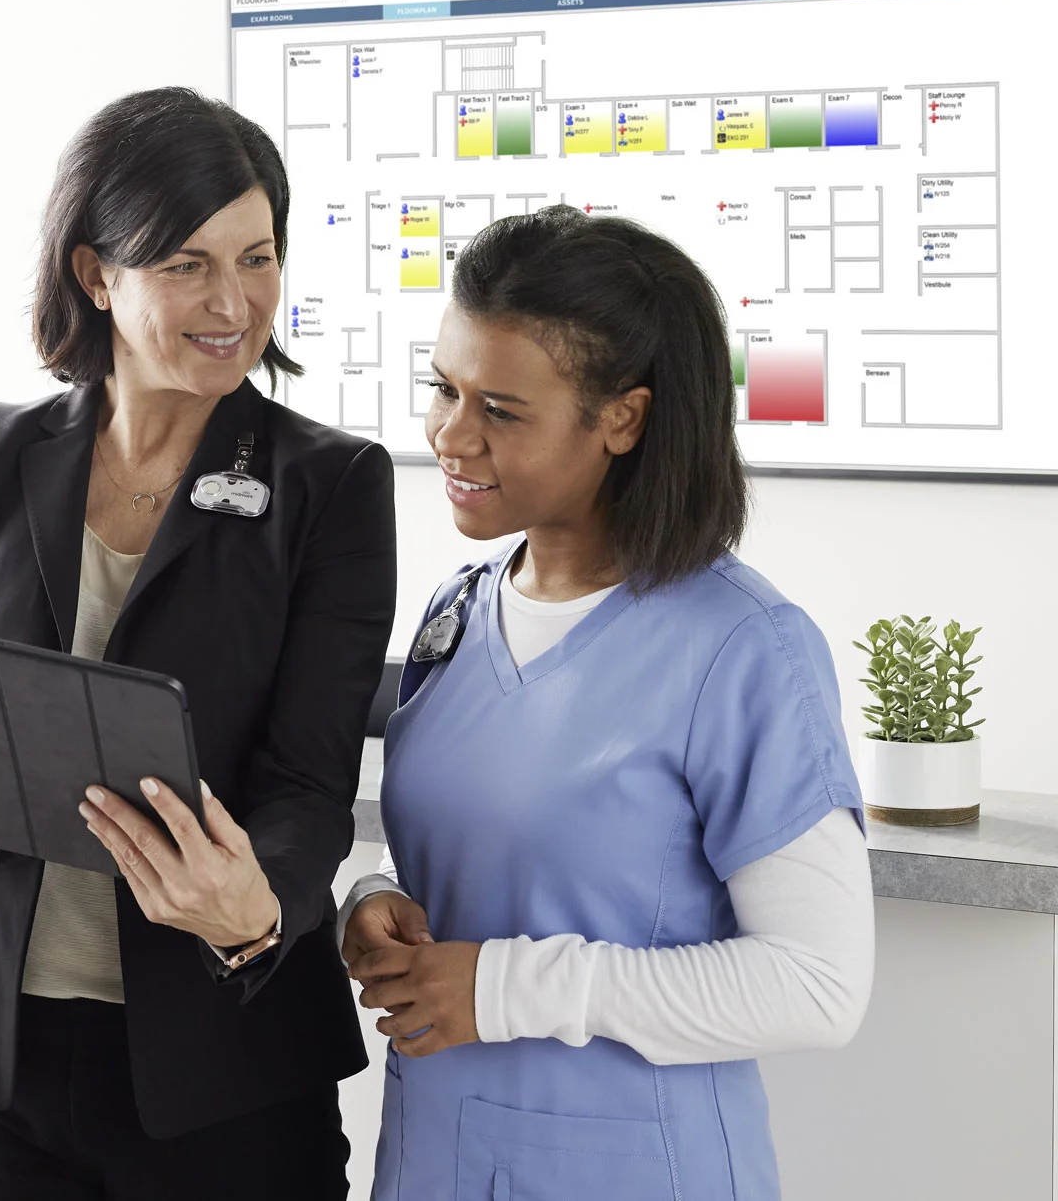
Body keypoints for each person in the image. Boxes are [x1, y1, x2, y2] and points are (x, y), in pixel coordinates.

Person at [0, 87, 394, 1199]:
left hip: (225, 1063)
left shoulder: (332, 484)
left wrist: (254, 907)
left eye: (256, 257)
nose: (234, 301)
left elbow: (312, 786)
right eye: (185, 264)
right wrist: (64, 786)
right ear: (93, 274)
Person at [348, 206, 875, 1199]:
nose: (451, 436)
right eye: (444, 389)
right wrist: (374, 899)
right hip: (437, 1155)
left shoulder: (742, 649)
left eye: (501, 409)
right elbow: (471, 838)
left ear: (622, 418)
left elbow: (819, 984)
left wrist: (505, 988)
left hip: (636, 1165)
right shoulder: (455, 614)